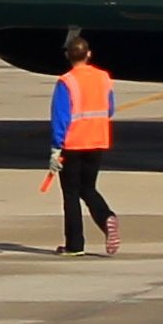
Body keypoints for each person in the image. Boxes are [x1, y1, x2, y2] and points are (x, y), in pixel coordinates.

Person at [47, 30, 119, 256]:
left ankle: (75, 244)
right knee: (88, 188)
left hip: (73, 143)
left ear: (68, 56)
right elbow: (110, 109)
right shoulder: (103, 77)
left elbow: (60, 116)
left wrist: (55, 148)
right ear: (89, 54)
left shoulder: (66, 82)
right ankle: (106, 217)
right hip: (97, 140)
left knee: (70, 193)